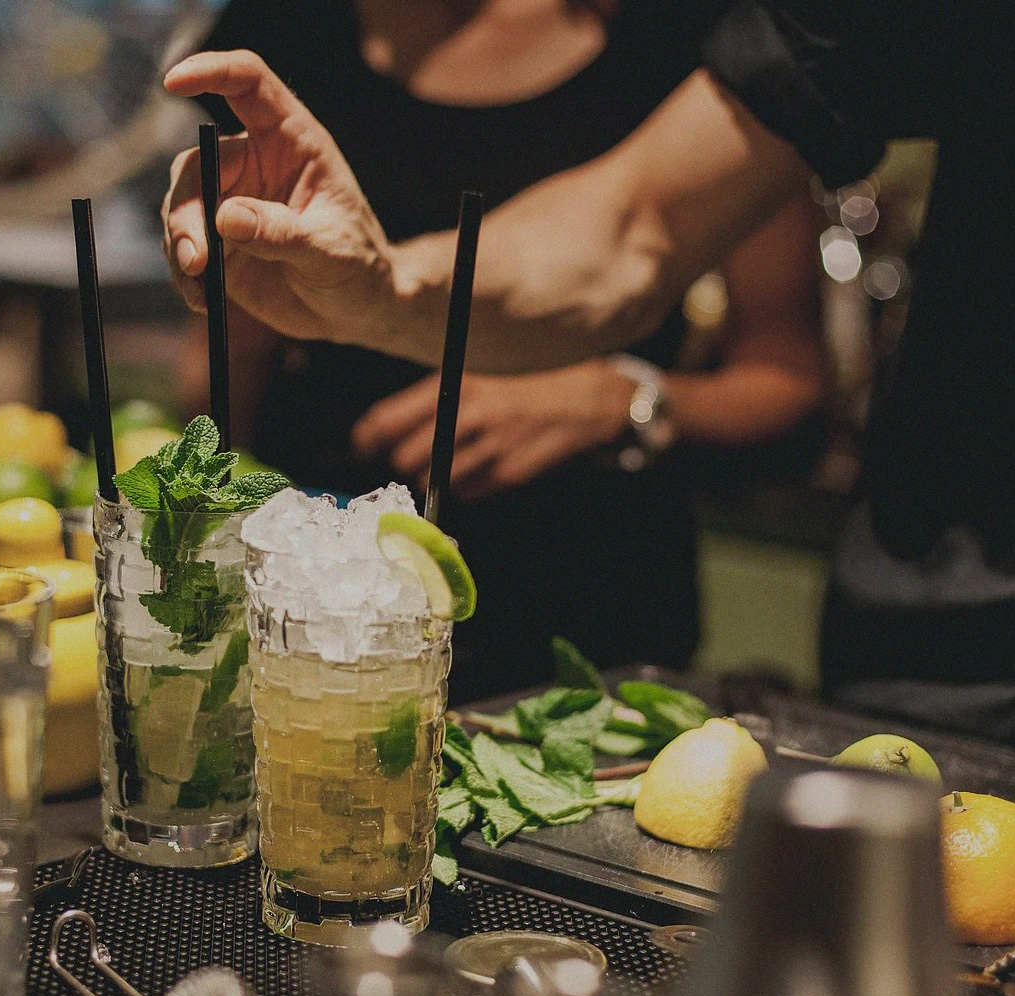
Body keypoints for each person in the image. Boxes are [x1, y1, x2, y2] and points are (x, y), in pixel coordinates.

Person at [159, 4, 1015, 795]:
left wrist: (625, 402)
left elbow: (784, 378)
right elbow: (634, 223)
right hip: (921, 681)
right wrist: (381, 286)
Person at [176, 0, 826, 702]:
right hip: (326, 618)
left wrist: (614, 401)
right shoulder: (283, 33)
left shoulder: (699, 41)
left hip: (590, 624)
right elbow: (228, 371)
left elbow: (784, 382)